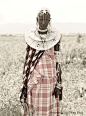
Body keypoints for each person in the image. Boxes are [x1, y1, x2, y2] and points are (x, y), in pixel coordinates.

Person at [20, 7, 63, 116]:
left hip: (50, 80)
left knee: (48, 107)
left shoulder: (55, 38)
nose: (43, 22)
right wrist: (24, 84)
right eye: (41, 19)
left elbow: (58, 61)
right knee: (34, 107)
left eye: (46, 19)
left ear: (50, 20)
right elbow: (28, 61)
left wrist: (58, 84)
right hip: (34, 79)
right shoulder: (31, 38)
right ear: (37, 19)